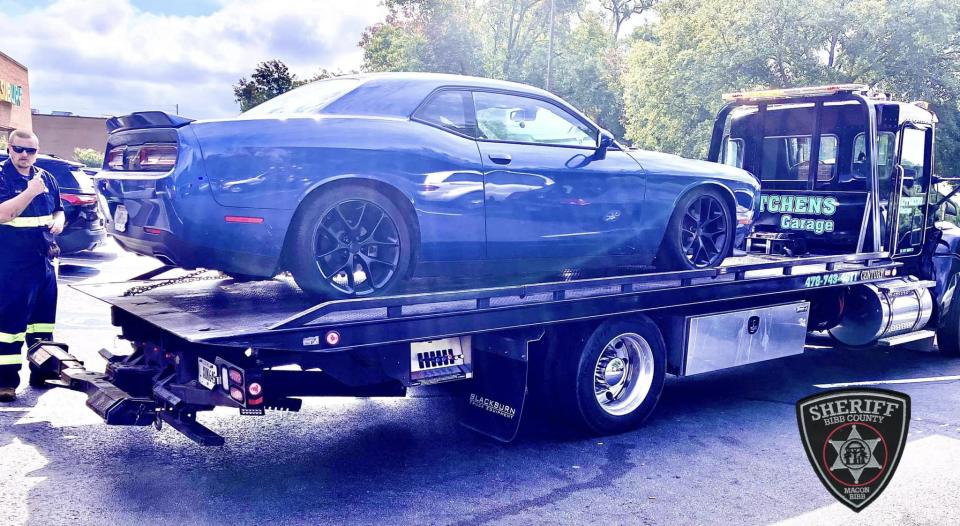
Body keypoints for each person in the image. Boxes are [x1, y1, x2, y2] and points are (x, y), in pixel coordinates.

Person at [0, 129, 64, 402]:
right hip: (13, 266)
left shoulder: (47, 177)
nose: (25, 155)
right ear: (9, 148)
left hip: (44, 264)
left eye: (31, 150)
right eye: (19, 149)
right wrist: (30, 192)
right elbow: (4, 214)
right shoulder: (4, 177)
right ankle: (5, 382)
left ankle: (42, 372)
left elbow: (59, 209)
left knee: (42, 326)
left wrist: (60, 221)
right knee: (9, 329)